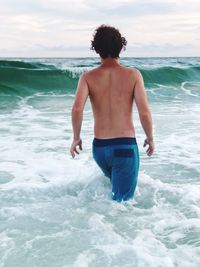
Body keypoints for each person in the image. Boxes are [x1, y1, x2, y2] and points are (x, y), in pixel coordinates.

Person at [70, 24, 154, 202]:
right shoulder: (133, 75)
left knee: (115, 197)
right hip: (124, 147)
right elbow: (144, 112)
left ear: (96, 49)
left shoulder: (87, 77)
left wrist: (76, 138)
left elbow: (77, 109)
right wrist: (150, 137)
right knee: (122, 204)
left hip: (99, 149)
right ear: (121, 47)